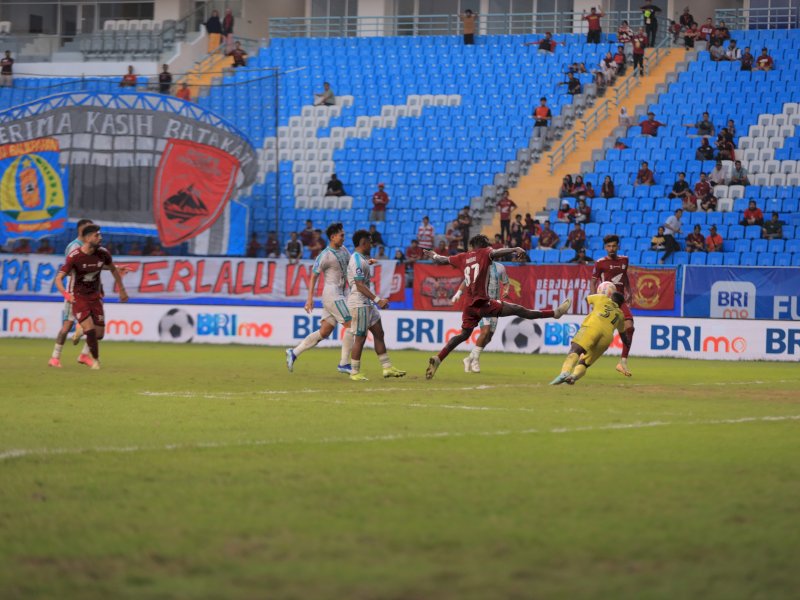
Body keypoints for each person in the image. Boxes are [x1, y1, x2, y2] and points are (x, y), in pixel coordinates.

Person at [423, 235, 571, 380]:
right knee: (519, 310)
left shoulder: (463, 256)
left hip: (469, 306)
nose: (490, 247)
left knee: (463, 335)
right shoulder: (484, 252)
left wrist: (433, 255)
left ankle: (439, 358)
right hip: (483, 303)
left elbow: (442, 259)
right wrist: (515, 248)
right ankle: (554, 313)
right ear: (482, 245)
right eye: (488, 245)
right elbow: (496, 252)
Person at [54, 225, 129, 370]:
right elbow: (58, 278)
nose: (100, 238)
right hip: (78, 297)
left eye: (100, 235)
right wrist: (66, 294)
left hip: (95, 296)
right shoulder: (74, 256)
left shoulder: (103, 253)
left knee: (99, 335)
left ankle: (84, 349)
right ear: (87, 238)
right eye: (97, 235)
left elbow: (113, 268)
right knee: (90, 329)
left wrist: (122, 289)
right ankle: (95, 360)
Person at [286, 222, 356, 376]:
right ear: (333, 237)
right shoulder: (325, 255)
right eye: (342, 235)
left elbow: (352, 266)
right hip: (332, 294)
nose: (344, 238)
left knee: (324, 331)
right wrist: (309, 298)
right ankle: (344, 363)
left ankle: (294, 352)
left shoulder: (344, 250)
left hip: (339, 294)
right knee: (353, 326)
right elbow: (313, 276)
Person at [346, 229, 406, 381]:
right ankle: (354, 372)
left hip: (366, 303)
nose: (372, 245)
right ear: (363, 243)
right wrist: (378, 300)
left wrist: (368, 262)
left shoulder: (361, 259)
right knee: (360, 338)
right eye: (370, 242)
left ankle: (387, 368)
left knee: (379, 333)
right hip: (359, 303)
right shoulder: (357, 260)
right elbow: (359, 285)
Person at [550, 290, 630, 385]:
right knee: (585, 362)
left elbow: (586, 298)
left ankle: (565, 372)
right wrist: (627, 343)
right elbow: (623, 335)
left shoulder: (602, 298)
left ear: (611, 298)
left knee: (576, 350)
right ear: (620, 305)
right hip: (607, 337)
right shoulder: (620, 314)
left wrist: (601, 295)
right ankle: (573, 377)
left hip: (593, 326)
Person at [49, 219, 95, 368]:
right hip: (74, 291)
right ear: (81, 230)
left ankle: (84, 355)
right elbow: (71, 268)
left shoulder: (91, 246)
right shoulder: (74, 246)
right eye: (88, 228)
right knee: (67, 326)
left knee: (94, 325)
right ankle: (55, 358)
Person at [452, 257, 509, 374]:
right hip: (482, 303)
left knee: (489, 337)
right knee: (485, 331)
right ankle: (475, 361)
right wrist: (458, 293)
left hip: (495, 304)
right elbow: (466, 280)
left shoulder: (500, 267)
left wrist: (506, 290)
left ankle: (469, 358)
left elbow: (506, 282)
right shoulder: (478, 266)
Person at [591, 234, 635, 376]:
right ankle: (582, 356)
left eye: (614, 246)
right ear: (605, 247)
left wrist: (629, 290)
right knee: (597, 334)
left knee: (630, 327)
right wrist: (594, 300)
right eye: (609, 246)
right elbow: (593, 281)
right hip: (606, 301)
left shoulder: (624, 260)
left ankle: (622, 362)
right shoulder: (600, 263)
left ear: (618, 246)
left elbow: (624, 276)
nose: (611, 248)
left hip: (620, 300)